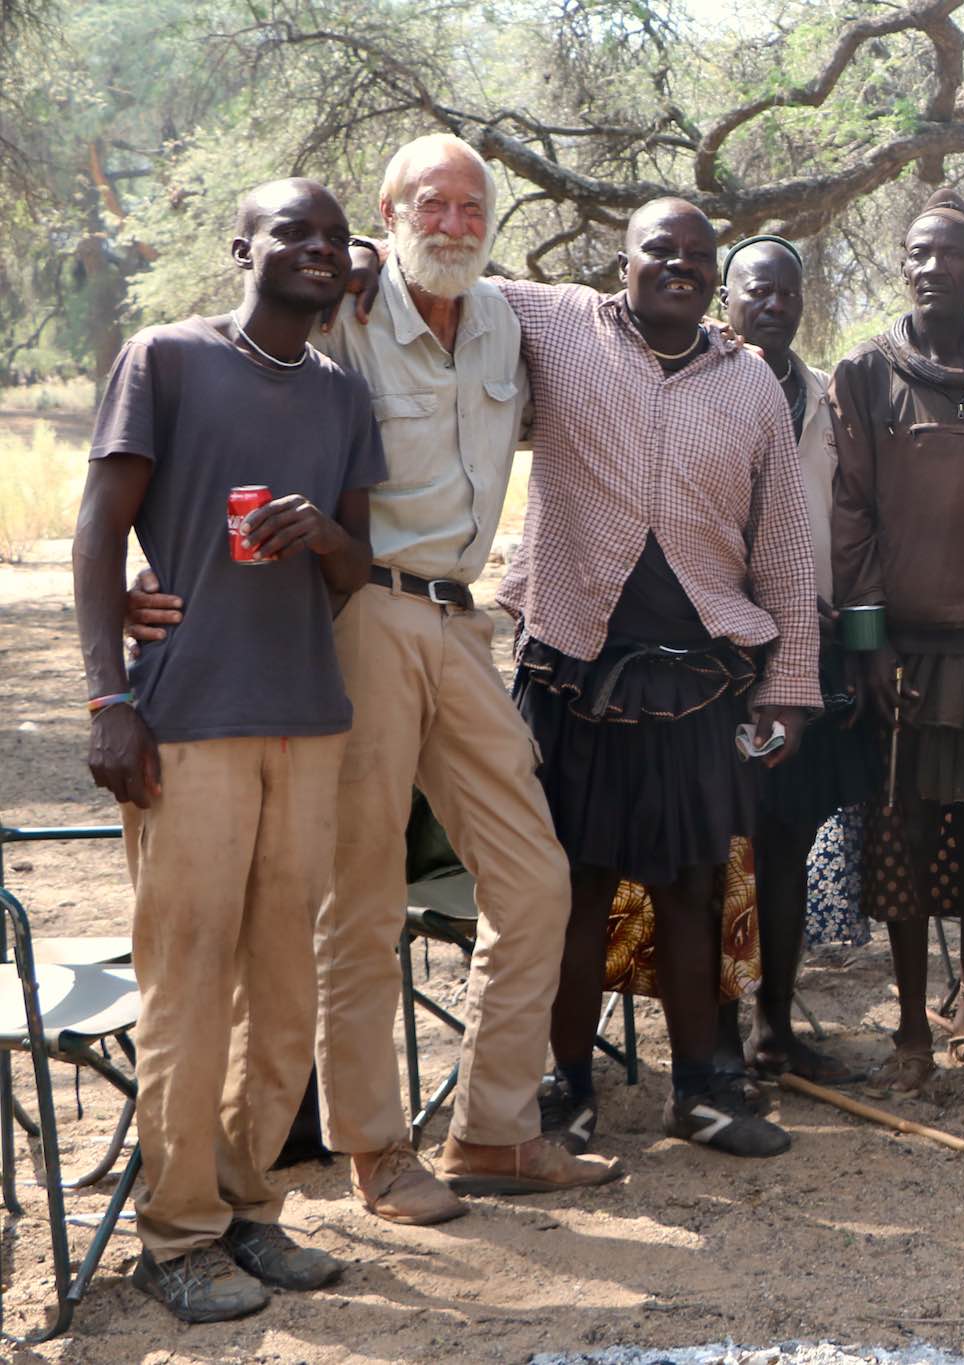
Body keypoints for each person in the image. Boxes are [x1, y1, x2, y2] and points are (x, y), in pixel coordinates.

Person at [117, 136, 621, 1224]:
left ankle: (492, 1131)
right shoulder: (343, 304)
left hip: (460, 618)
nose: (449, 222)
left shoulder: (506, 317)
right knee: (363, 899)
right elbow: (226, 388)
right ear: (385, 221)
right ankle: (376, 1151)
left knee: (536, 879)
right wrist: (133, 581)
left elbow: (611, 309)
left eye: (469, 205)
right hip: (359, 612)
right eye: (426, 205)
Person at [75, 178, 382, 1322]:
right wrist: (111, 698)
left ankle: (252, 1212)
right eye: (291, 231)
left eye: (333, 237)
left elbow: (359, 573)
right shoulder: (166, 359)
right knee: (190, 983)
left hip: (305, 717)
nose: (314, 248)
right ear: (242, 247)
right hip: (187, 721)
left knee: (282, 987)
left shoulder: (345, 395)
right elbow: (101, 531)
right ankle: (177, 1232)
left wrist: (328, 536)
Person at [481, 197, 819, 1159]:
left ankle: (700, 1093)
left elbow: (787, 547)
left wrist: (789, 686)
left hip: (699, 681)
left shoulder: (751, 384)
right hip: (571, 667)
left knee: (692, 892)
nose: (679, 264)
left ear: (716, 275)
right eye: (658, 250)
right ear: (618, 260)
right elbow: (448, 278)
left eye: (697, 255)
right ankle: (567, 1091)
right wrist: (373, 253)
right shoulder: (557, 323)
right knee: (573, 892)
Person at [826, 190, 964, 1096]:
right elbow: (851, 514)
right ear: (902, 265)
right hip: (907, 652)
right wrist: (870, 644)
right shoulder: (866, 373)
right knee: (905, 833)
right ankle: (910, 1028)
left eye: (951, 254)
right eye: (919, 253)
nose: (932, 267)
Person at [717, 233, 878, 1088]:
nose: (773, 305)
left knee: (784, 840)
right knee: (715, 846)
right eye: (756, 290)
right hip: (711, 655)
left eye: (788, 293)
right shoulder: (696, 381)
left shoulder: (825, 399)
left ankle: (776, 1030)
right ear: (727, 297)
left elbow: (844, 522)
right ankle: (713, 1042)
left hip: (806, 652)